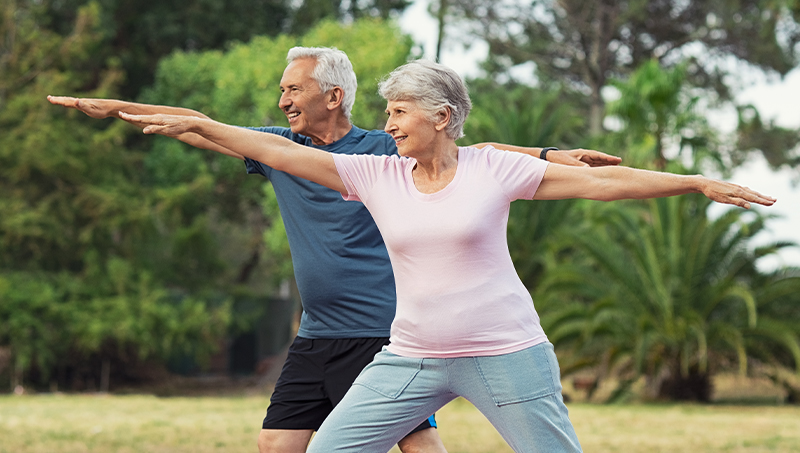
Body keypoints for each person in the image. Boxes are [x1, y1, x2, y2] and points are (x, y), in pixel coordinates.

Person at [118, 58, 776, 452]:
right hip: (411, 356)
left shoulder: (493, 169)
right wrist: (199, 123)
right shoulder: (377, 175)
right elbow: (283, 152)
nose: (391, 121)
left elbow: (603, 184)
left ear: (441, 115)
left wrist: (692, 182)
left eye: (400, 109)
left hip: (504, 353)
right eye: (387, 110)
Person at [48, 47, 621, 453]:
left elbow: (477, 152)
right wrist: (118, 107)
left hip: (382, 330)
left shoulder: (380, 150)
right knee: (277, 442)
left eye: (293, 89)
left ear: (334, 94)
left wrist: (550, 155)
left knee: (417, 442)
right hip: (318, 332)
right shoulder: (282, 151)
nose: (282, 101)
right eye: (281, 91)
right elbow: (204, 126)